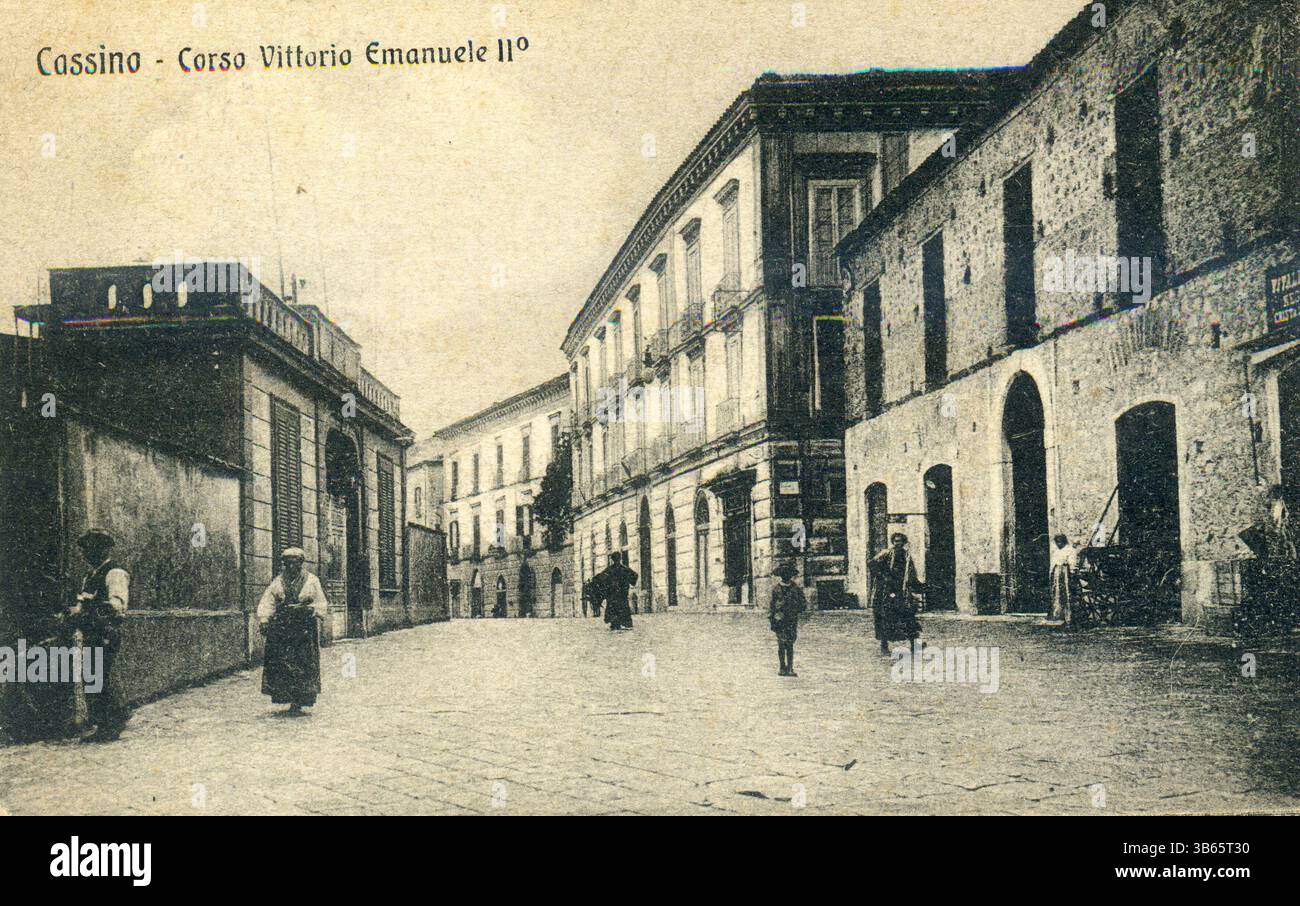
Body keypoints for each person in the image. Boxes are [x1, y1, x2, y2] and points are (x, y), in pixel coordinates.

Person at [68, 528, 132, 742]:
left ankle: (111, 725)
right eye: (84, 549)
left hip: (105, 632)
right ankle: (106, 722)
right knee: (93, 677)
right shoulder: (90, 575)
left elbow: (117, 605)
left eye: (91, 548)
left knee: (102, 677)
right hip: (90, 632)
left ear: (104, 549)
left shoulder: (114, 573)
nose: (86, 554)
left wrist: (90, 604)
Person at [257, 548, 329, 714]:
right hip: (282, 626)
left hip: (304, 627)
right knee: (284, 662)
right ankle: (288, 697)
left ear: (301, 562)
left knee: (303, 662)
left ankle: (300, 700)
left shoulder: (311, 580)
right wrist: (264, 619)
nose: (291, 565)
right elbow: (268, 601)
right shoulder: (278, 581)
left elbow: (320, 602)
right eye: (287, 562)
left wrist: (312, 610)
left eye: (294, 561)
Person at [869, 532, 923, 656]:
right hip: (886, 592)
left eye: (900, 541)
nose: (897, 543)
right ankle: (884, 646)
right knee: (885, 618)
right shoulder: (886, 553)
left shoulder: (907, 556)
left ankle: (914, 645)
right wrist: (884, 577)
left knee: (908, 617)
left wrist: (918, 586)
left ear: (904, 542)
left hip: (901, 591)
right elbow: (872, 564)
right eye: (895, 541)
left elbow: (911, 573)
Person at [769, 562, 806, 676]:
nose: (786, 576)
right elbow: (772, 605)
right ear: (781, 575)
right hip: (779, 619)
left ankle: (790, 668)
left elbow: (803, 603)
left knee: (790, 644)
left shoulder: (796, 588)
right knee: (781, 643)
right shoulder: (776, 589)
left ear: (791, 575)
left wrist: (795, 608)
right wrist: (773, 618)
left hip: (791, 619)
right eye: (784, 574)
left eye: (788, 573)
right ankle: (782, 667)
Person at [597, 552, 638, 631]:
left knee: (614, 609)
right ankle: (624, 623)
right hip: (622, 595)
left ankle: (615, 624)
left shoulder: (609, 570)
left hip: (613, 596)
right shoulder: (625, 569)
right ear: (620, 559)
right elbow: (635, 575)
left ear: (612, 559)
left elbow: (600, 579)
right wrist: (628, 583)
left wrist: (605, 589)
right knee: (623, 608)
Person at [1048, 534, 1080, 624]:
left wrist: (1072, 572)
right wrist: (1051, 573)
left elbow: (1072, 563)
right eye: (1057, 542)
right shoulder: (1057, 551)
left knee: (1066, 594)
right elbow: (1053, 563)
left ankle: (1068, 617)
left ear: (1064, 541)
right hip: (1057, 573)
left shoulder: (1070, 550)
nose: (1058, 544)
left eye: (1060, 542)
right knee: (1057, 593)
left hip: (1065, 573)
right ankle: (1058, 615)